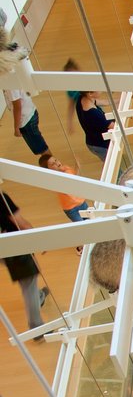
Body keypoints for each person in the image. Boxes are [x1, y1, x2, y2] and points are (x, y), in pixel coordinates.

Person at [0, 192, 49, 338]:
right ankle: (36, 328)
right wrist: (37, 240)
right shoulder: (1, 198)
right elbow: (20, 222)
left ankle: (38, 296)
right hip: (11, 246)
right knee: (29, 282)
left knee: (30, 278)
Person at [68, 90, 116, 163]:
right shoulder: (93, 113)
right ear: (90, 93)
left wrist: (121, 100)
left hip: (93, 142)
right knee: (112, 165)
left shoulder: (83, 99)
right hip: (99, 145)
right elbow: (114, 126)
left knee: (108, 162)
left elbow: (104, 102)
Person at [6, 89, 50, 158]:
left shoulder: (10, 87)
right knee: (40, 146)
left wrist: (16, 128)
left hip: (26, 120)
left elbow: (17, 107)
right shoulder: (12, 80)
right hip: (31, 113)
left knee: (42, 149)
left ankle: (53, 167)